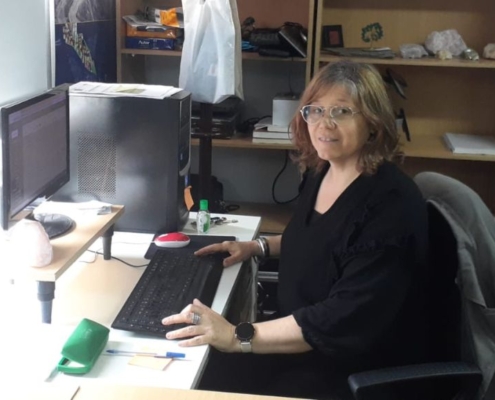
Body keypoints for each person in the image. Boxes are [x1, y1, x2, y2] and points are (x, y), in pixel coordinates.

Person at [162, 60, 431, 400]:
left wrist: (236, 336)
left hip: (345, 366)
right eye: (315, 110)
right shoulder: (323, 171)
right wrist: (257, 247)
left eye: (342, 111)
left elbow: (341, 320)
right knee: (186, 369)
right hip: (297, 342)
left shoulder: (391, 207)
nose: (324, 123)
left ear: (373, 123)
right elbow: (320, 241)